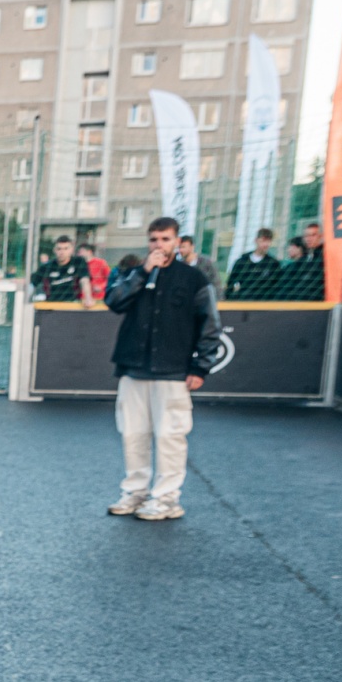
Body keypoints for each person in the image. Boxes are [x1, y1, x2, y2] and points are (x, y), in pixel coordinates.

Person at [104, 216, 224, 523]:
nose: (159, 245)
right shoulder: (134, 273)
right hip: (133, 369)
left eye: (165, 239)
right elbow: (114, 301)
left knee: (170, 436)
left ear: (177, 242)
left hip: (172, 371)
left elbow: (210, 325)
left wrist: (200, 367)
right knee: (133, 434)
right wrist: (143, 272)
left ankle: (167, 499)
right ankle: (136, 492)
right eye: (154, 239)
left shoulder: (193, 278)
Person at [30, 236, 93, 304]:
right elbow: (32, 283)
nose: (62, 252)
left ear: (71, 250)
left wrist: (88, 298)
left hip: (72, 304)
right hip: (51, 305)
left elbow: (84, 280)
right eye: (59, 249)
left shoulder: (78, 262)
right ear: (54, 250)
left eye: (66, 248)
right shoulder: (46, 267)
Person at [226, 228, 282, 301]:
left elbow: (277, 286)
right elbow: (231, 283)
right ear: (256, 240)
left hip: (265, 303)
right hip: (243, 302)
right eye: (263, 240)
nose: (266, 244)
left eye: (268, 241)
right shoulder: (242, 261)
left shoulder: (273, 264)